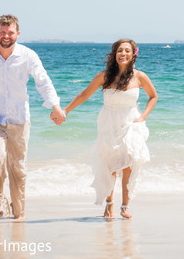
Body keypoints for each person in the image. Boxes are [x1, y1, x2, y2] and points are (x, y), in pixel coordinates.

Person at [0, 14, 66, 219]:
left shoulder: (28, 55)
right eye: (2, 32)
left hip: (19, 117)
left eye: (10, 32)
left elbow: (43, 81)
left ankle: (18, 210)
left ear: (17, 34)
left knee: (18, 167)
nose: (6, 36)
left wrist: (55, 106)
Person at [62, 39, 157, 219]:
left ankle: (125, 206)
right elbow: (84, 94)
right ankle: (109, 204)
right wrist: (65, 111)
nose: (123, 54)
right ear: (114, 54)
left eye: (127, 51)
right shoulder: (104, 76)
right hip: (108, 122)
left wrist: (143, 116)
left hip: (131, 123)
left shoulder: (140, 76)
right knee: (110, 165)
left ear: (133, 54)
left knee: (129, 162)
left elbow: (153, 96)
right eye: (120, 50)